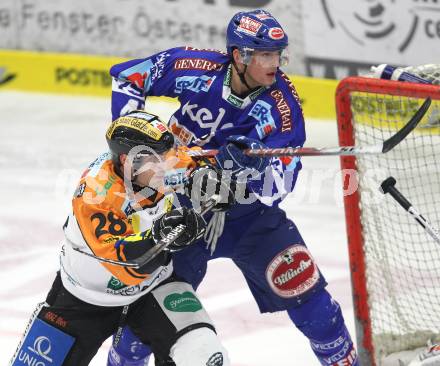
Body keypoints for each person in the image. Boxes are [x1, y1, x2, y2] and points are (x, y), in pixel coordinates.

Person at [108, 9, 359, 366]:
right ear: (239, 55)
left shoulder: (283, 106)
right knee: (145, 318)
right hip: (183, 212)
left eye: (279, 54)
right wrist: (138, 148)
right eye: (267, 55)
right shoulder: (195, 67)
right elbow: (128, 77)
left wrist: (254, 169)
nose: (276, 63)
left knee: (314, 305)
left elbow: (283, 181)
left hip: (250, 219)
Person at [9, 111, 230, 366]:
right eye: (159, 160)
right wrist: (164, 235)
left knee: (206, 355)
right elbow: (127, 265)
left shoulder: (156, 160)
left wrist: (214, 181)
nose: (169, 165)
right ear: (128, 161)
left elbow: (194, 162)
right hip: (84, 299)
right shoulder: (96, 195)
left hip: (153, 288)